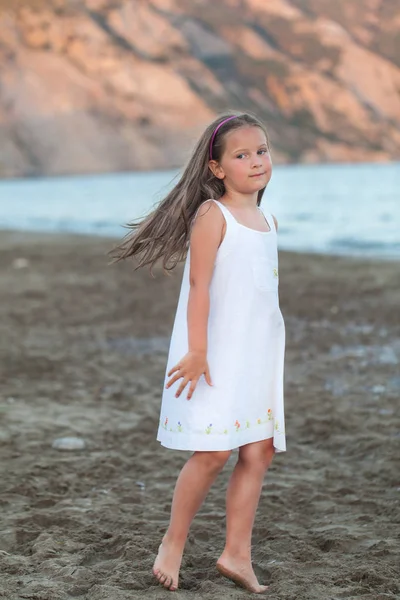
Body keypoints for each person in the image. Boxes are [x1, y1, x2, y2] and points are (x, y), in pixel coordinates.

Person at [110, 112, 286, 593]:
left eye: (262, 150)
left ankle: (237, 554)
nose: (256, 161)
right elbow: (199, 284)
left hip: (259, 351)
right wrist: (198, 351)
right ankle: (173, 540)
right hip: (213, 350)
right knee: (212, 452)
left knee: (259, 450)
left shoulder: (268, 217)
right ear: (217, 169)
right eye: (242, 154)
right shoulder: (214, 215)